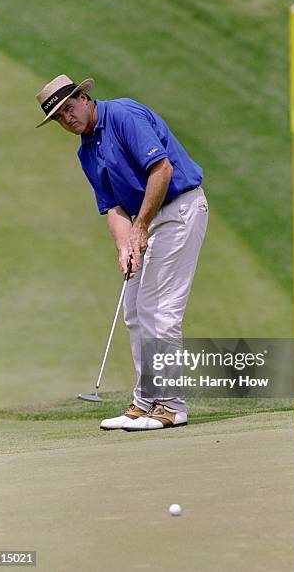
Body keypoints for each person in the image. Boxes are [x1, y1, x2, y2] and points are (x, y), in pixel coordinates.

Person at [36, 74, 208, 431]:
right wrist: (124, 245)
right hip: (147, 219)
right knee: (133, 310)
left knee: (160, 311)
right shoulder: (86, 151)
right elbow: (113, 207)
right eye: (59, 118)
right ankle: (146, 402)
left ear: (84, 97)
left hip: (178, 209)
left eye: (69, 108)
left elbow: (162, 170)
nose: (68, 119)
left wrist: (140, 227)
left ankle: (172, 406)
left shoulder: (123, 114)